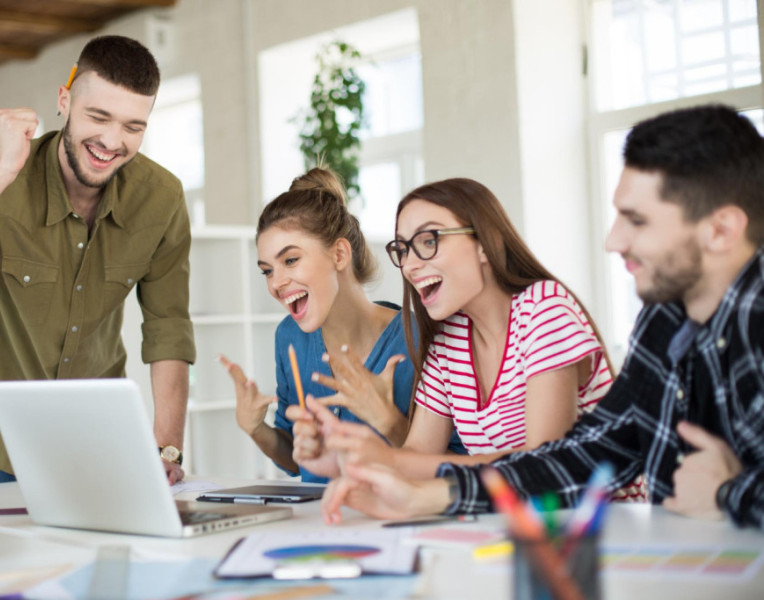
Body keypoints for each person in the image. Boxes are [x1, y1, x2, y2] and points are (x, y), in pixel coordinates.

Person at [320, 104, 764, 530]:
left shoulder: (750, 319)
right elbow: (583, 455)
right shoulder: (663, 321)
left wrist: (730, 491)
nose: (613, 240)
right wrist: (426, 496)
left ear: (721, 230)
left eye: (636, 220)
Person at [0, 36, 196, 485]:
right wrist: (2, 171)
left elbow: (168, 328)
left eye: (133, 126)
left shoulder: (163, 198)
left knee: (103, 557)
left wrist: (165, 448)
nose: (113, 141)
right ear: (64, 101)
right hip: (1, 438)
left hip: (100, 433)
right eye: (98, 117)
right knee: (14, 557)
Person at [291, 178, 643, 501]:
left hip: (613, 528)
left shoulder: (543, 308)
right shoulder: (449, 342)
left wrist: (389, 461)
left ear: (484, 244)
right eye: (403, 250)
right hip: (523, 526)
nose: (410, 265)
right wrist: (343, 459)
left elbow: (543, 462)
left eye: (429, 242)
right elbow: (417, 455)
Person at [220, 167, 462, 483]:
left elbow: (457, 471)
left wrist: (388, 421)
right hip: (320, 522)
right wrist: (256, 428)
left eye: (290, 260)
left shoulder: (421, 340)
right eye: (267, 270)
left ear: (339, 254)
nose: (277, 283)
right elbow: (297, 460)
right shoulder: (289, 337)